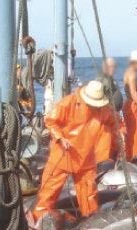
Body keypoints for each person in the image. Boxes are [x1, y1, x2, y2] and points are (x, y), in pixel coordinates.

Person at [33, 81, 116, 220]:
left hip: (86, 155)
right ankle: (38, 218)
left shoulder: (105, 109)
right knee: (50, 188)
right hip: (63, 153)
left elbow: (114, 125)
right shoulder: (68, 103)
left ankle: (90, 219)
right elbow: (51, 121)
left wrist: (118, 140)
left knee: (89, 191)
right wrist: (60, 138)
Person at [95, 57, 124, 163]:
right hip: (105, 120)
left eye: (114, 67)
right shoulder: (102, 80)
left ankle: (112, 160)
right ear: (104, 67)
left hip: (113, 118)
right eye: (111, 66)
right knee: (105, 147)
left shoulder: (111, 79)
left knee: (114, 144)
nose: (113, 69)